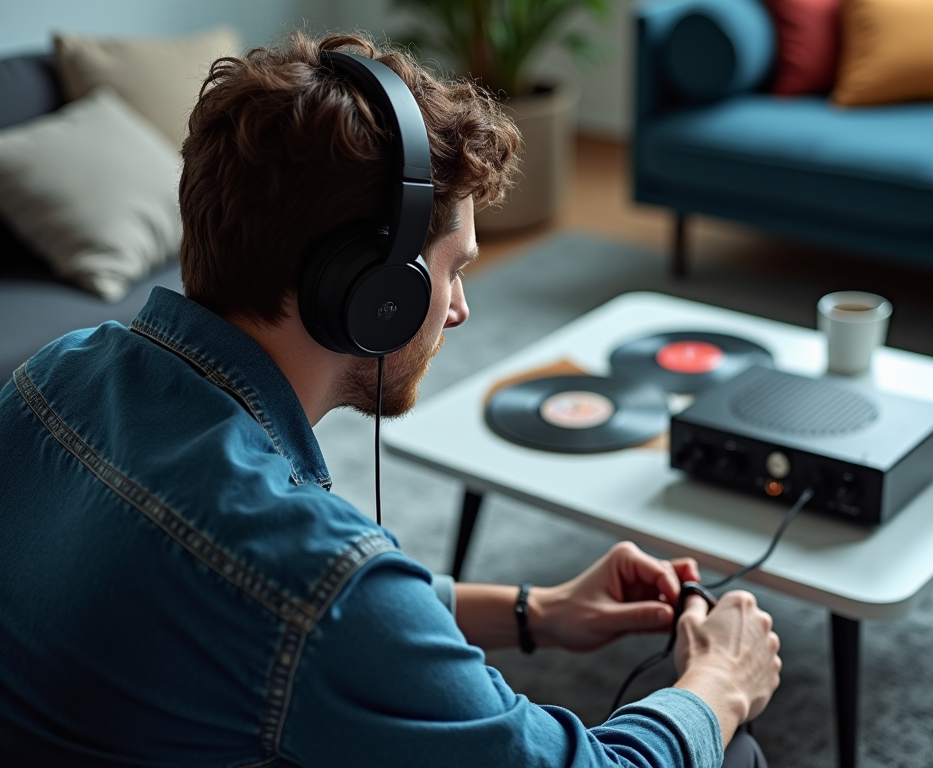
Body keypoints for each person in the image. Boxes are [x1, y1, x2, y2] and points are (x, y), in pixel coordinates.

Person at [0, 31, 780, 768]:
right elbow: (320, 607)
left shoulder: (57, 372)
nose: (460, 309)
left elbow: (279, 615)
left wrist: (533, 611)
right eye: (453, 269)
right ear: (375, 294)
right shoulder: (316, 575)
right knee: (729, 751)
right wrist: (720, 682)